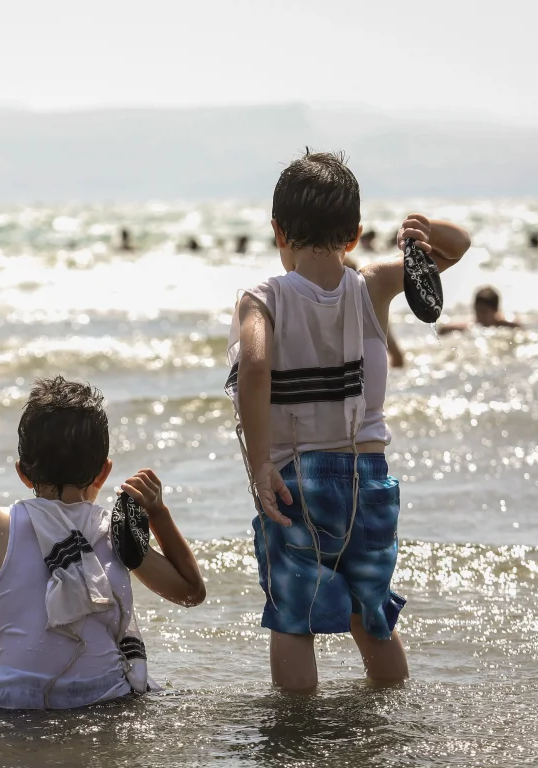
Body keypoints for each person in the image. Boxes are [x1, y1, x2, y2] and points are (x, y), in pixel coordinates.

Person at [228, 150, 471, 693]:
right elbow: (459, 248)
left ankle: (297, 726)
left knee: (296, 617)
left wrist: (260, 463)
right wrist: (427, 233)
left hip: (296, 482)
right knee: (373, 612)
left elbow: (256, 366)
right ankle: (390, 708)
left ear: (276, 231)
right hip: (369, 478)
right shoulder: (374, 285)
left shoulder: (261, 299)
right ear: (356, 233)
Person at [0, 376, 205, 708]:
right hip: (103, 695)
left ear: (22, 473)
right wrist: (158, 513)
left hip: (13, 700)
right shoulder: (113, 530)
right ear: (104, 472)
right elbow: (190, 593)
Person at [437, 286, 521, 335]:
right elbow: (443, 329)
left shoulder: (509, 325)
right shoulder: (472, 325)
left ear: (495, 310)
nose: (480, 315)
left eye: (484, 311)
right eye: (477, 310)